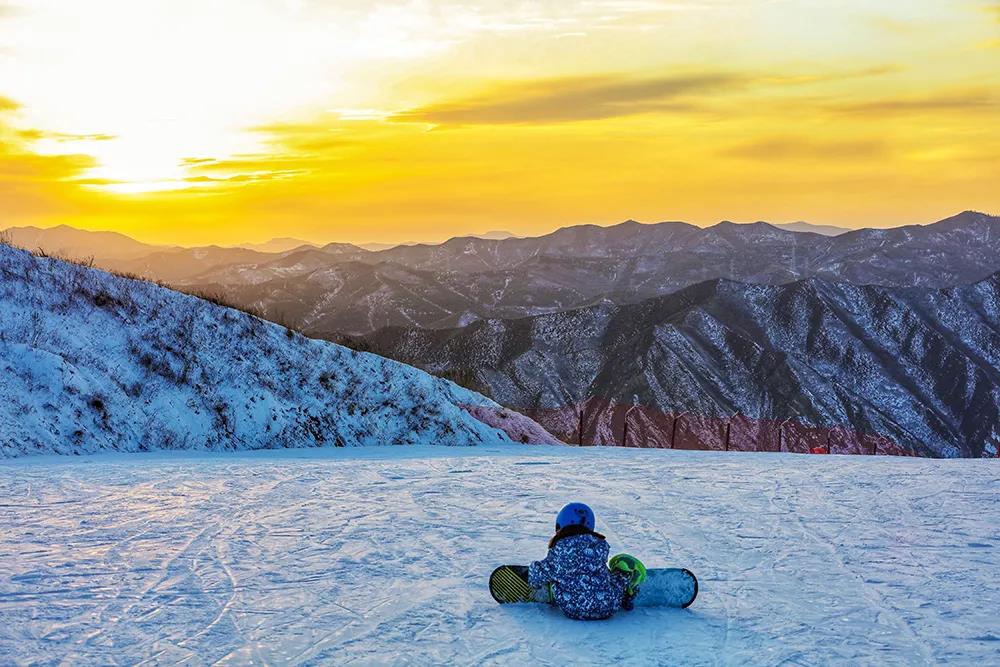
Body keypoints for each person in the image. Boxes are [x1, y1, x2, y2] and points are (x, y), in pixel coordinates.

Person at [528, 502, 646, 620]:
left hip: (572, 610)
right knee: (617, 573)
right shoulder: (600, 545)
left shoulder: (558, 551)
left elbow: (536, 577)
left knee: (553, 575)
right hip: (608, 606)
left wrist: (533, 569)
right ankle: (627, 578)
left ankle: (555, 587)